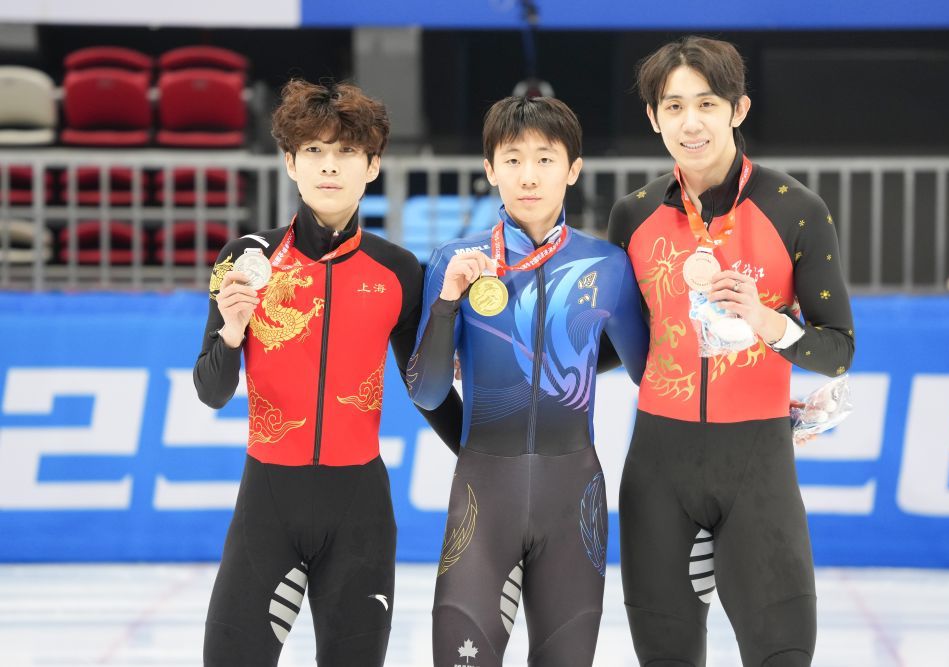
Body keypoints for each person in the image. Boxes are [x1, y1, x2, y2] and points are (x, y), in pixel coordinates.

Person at [193, 79, 462, 667]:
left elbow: (426, 389)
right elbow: (211, 390)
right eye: (313, 150)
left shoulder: (399, 271)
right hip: (267, 504)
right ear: (290, 163)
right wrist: (232, 331)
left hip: (359, 511)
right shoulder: (247, 257)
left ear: (373, 165)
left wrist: (484, 455)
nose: (329, 166)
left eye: (346, 151)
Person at [607, 36, 855, 667]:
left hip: (756, 466)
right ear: (654, 117)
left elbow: (837, 350)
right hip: (658, 470)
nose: (690, 123)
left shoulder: (795, 210)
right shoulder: (633, 216)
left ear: (738, 109)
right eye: (674, 106)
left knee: (783, 654)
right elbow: (618, 341)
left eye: (707, 104)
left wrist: (768, 322)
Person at [407, 95, 649, 666]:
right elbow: (428, 391)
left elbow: (655, 373)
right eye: (512, 160)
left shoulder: (608, 267)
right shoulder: (454, 262)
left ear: (573, 169)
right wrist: (446, 304)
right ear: (490, 169)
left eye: (545, 159)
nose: (528, 176)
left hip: (575, 499)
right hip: (483, 494)